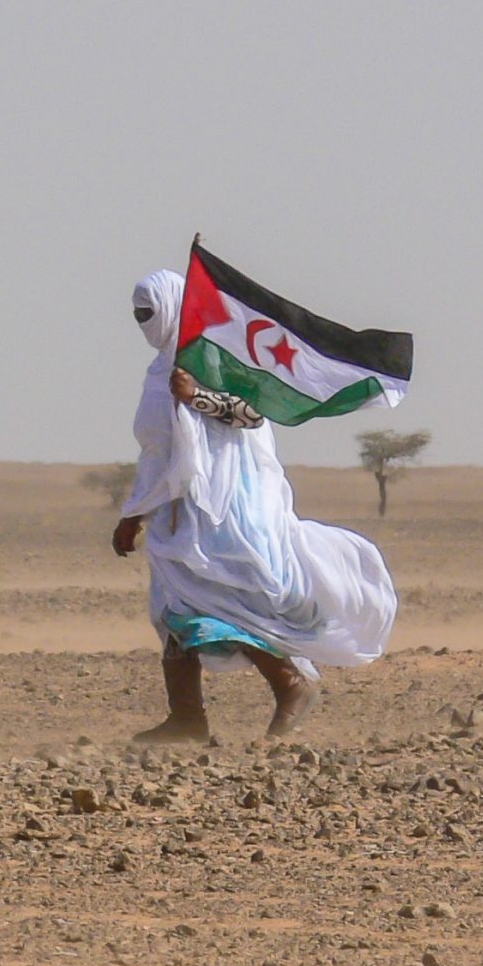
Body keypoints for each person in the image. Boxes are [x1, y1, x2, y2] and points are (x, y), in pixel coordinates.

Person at [112, 269, 396, 741]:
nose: (143, 320)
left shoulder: (217, 356)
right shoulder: (159, 369)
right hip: (179, 514)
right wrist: (134, 513)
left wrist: (196, 395)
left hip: (229, 509)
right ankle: (187, 718)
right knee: (173, 607)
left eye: (150, 311)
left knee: (215, 603)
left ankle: (290, 685)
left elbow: (251, 412)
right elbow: (158, 453)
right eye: (138, 314)